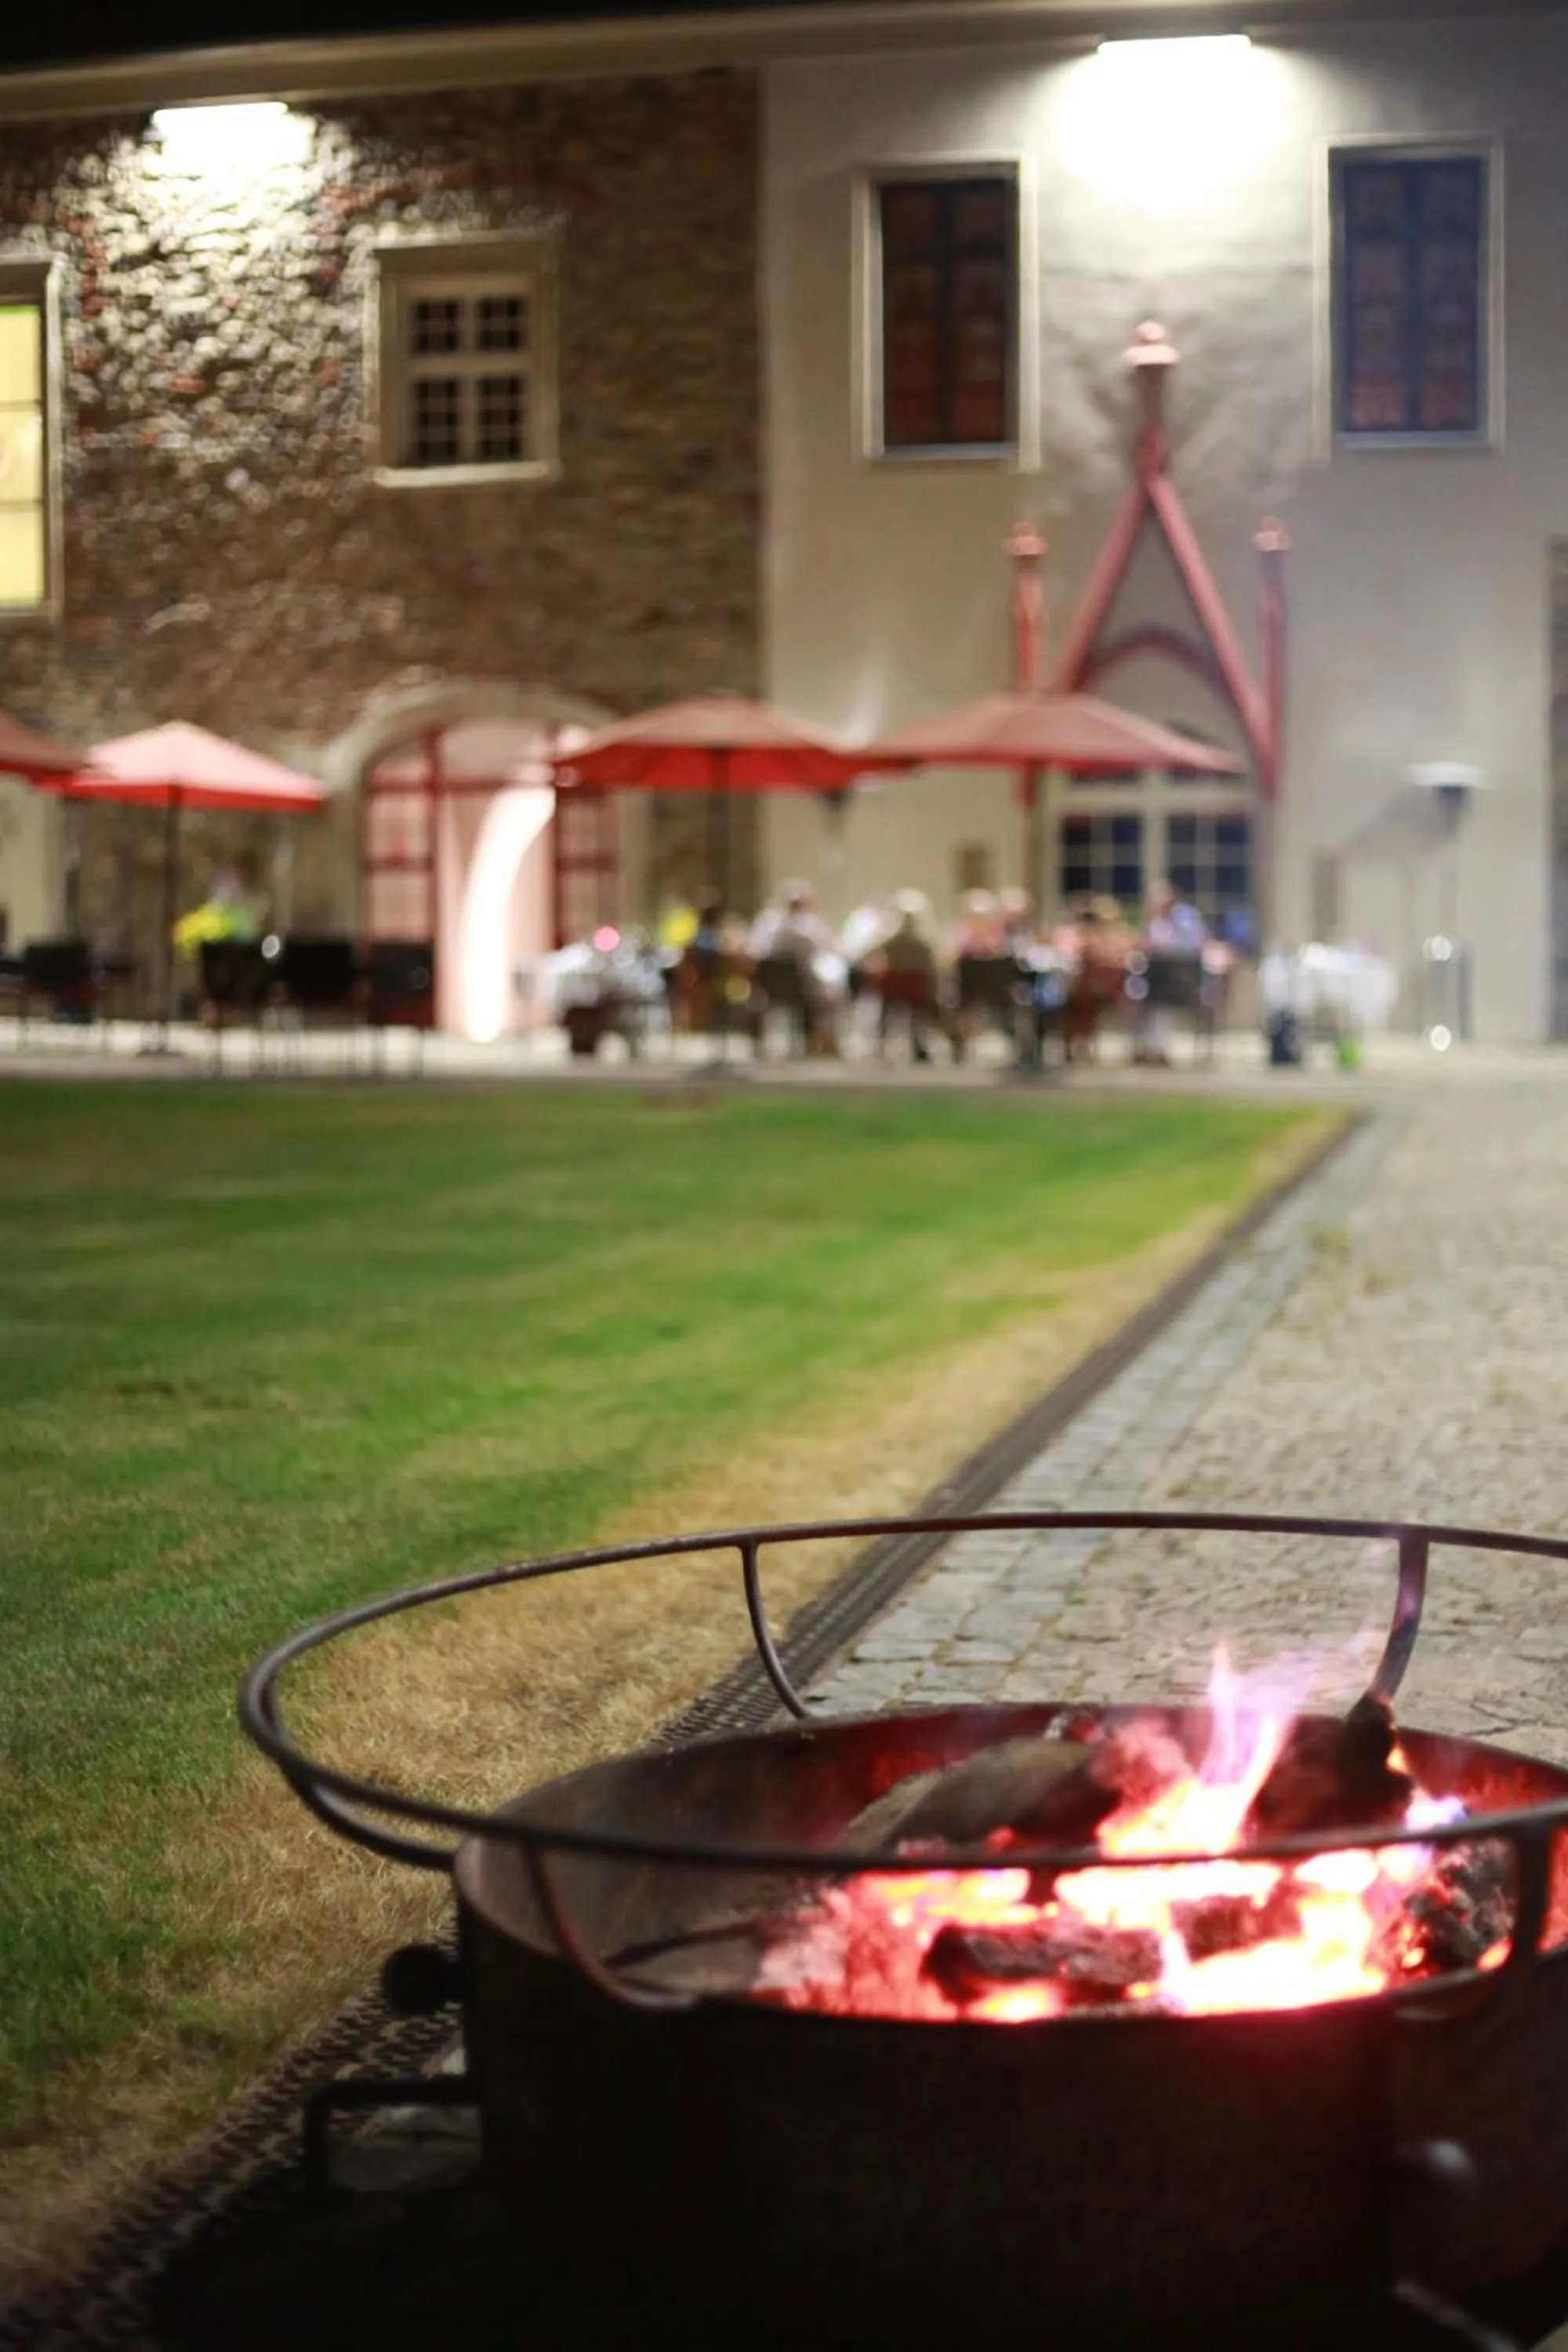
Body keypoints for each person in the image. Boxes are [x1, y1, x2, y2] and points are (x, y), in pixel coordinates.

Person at [1137, 880, 1207, 1067]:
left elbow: (1195, 947)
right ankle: (1154, 1050)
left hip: (1184, 983)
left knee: (1158, 1004)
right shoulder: (1155, 924)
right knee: (1152, 1004)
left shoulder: (1188, 920)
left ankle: (1156, 1050)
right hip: (1160, 986)